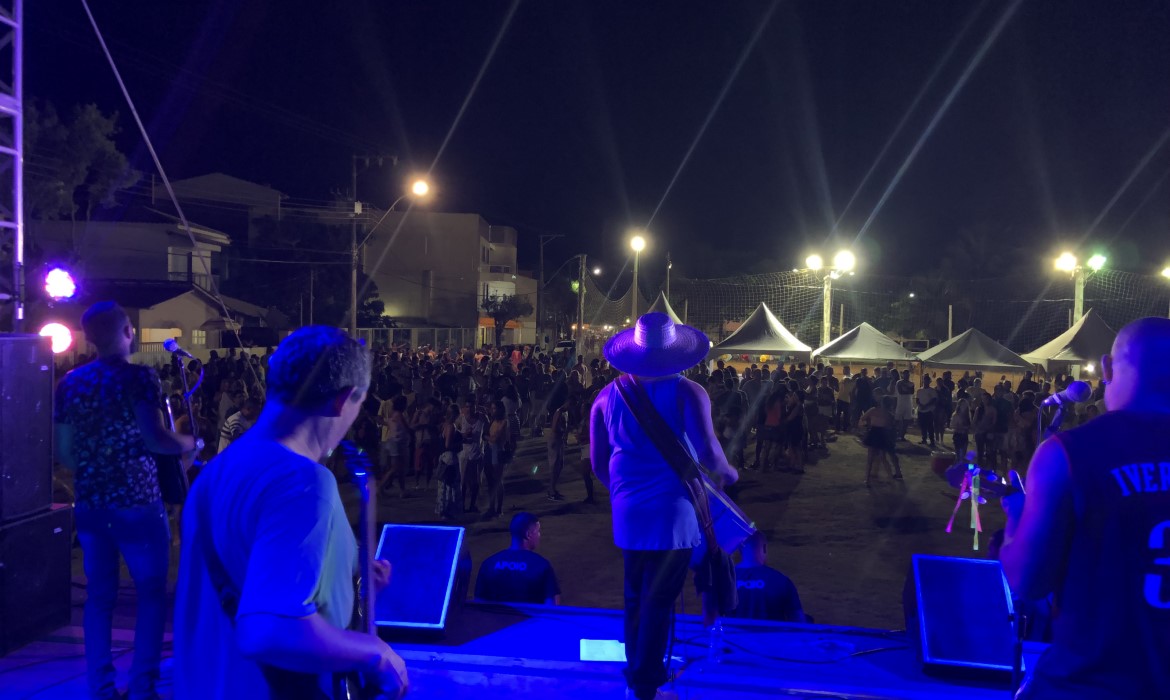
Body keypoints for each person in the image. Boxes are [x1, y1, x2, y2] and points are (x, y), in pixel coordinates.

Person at [173, 326, 408, 699]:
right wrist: (375, 654)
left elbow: (256, 575)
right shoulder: (303, 483)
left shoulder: (216, 471)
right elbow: (269, 630)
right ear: (343, 400)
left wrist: (352, 588)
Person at [999, 318, 1170, 699]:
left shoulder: (1070, 452)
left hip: (1087, 684)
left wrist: (1015, 519)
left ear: (1107, 368)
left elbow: (1028, 582)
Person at [54, 302, 199, 700]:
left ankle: (100, 688)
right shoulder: (140, 378)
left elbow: (64, 452)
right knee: (151, 592)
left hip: (91, 505)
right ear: (129, 331)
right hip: (137, 503)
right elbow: (157, 439)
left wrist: (95, 464)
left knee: (100, 597)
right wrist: (192, 442)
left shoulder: (70, 382)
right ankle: (142, 687)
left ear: (87, 337)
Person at [590, 313, 738, 700]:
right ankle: (646, 681)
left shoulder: (607, 395)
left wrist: (623, 492)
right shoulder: (689, 392)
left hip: (628, 510)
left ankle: (639, 670)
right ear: (677, 351)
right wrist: (729, 473)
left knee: (635, 595)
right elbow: (708, 450)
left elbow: (597, 462)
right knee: (659, 597)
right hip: (674, 511)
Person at [474, 512, 561, 605]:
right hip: (529, 619)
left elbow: (478, 605)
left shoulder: (488, 564)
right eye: (538, 531)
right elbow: (552, 609)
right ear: (528, 535)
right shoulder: (542, 566)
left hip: (495, 619)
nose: (539, 535)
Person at [727, 531, 805, 623]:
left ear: (739, 549)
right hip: (773, 637)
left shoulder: (724, 580)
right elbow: (799, 623)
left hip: (733, 637)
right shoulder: (782, 581)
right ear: (764, 548)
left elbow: (712, 618)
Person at [859, 395, 903, 485]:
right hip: (883, 434)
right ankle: (890, 477)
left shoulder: (873, 410)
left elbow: (863, 418)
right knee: (883, 457)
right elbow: (890, 426)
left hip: (874, 432)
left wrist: (868, 424)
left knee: (870, 458)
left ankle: (867, 479)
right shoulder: (889, 414)